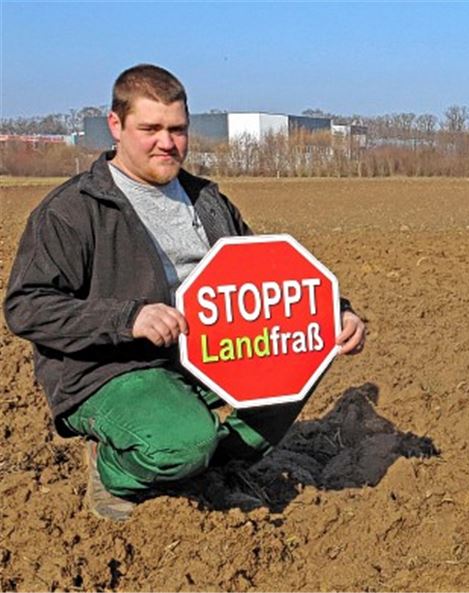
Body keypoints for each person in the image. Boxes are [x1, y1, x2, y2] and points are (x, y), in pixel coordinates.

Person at [4, 64, 367, 521]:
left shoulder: (206, 199)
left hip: (205, 355)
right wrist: (128, 318)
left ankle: (212, 470)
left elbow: (268, 275)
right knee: (184, 440)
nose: (167, 142)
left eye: (177, 129)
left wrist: (336, 314)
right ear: (115, 126)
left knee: (301, 357)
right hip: (112, 368)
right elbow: (26, 306)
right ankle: (115, 469)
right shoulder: (72, 211)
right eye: (150, 128)